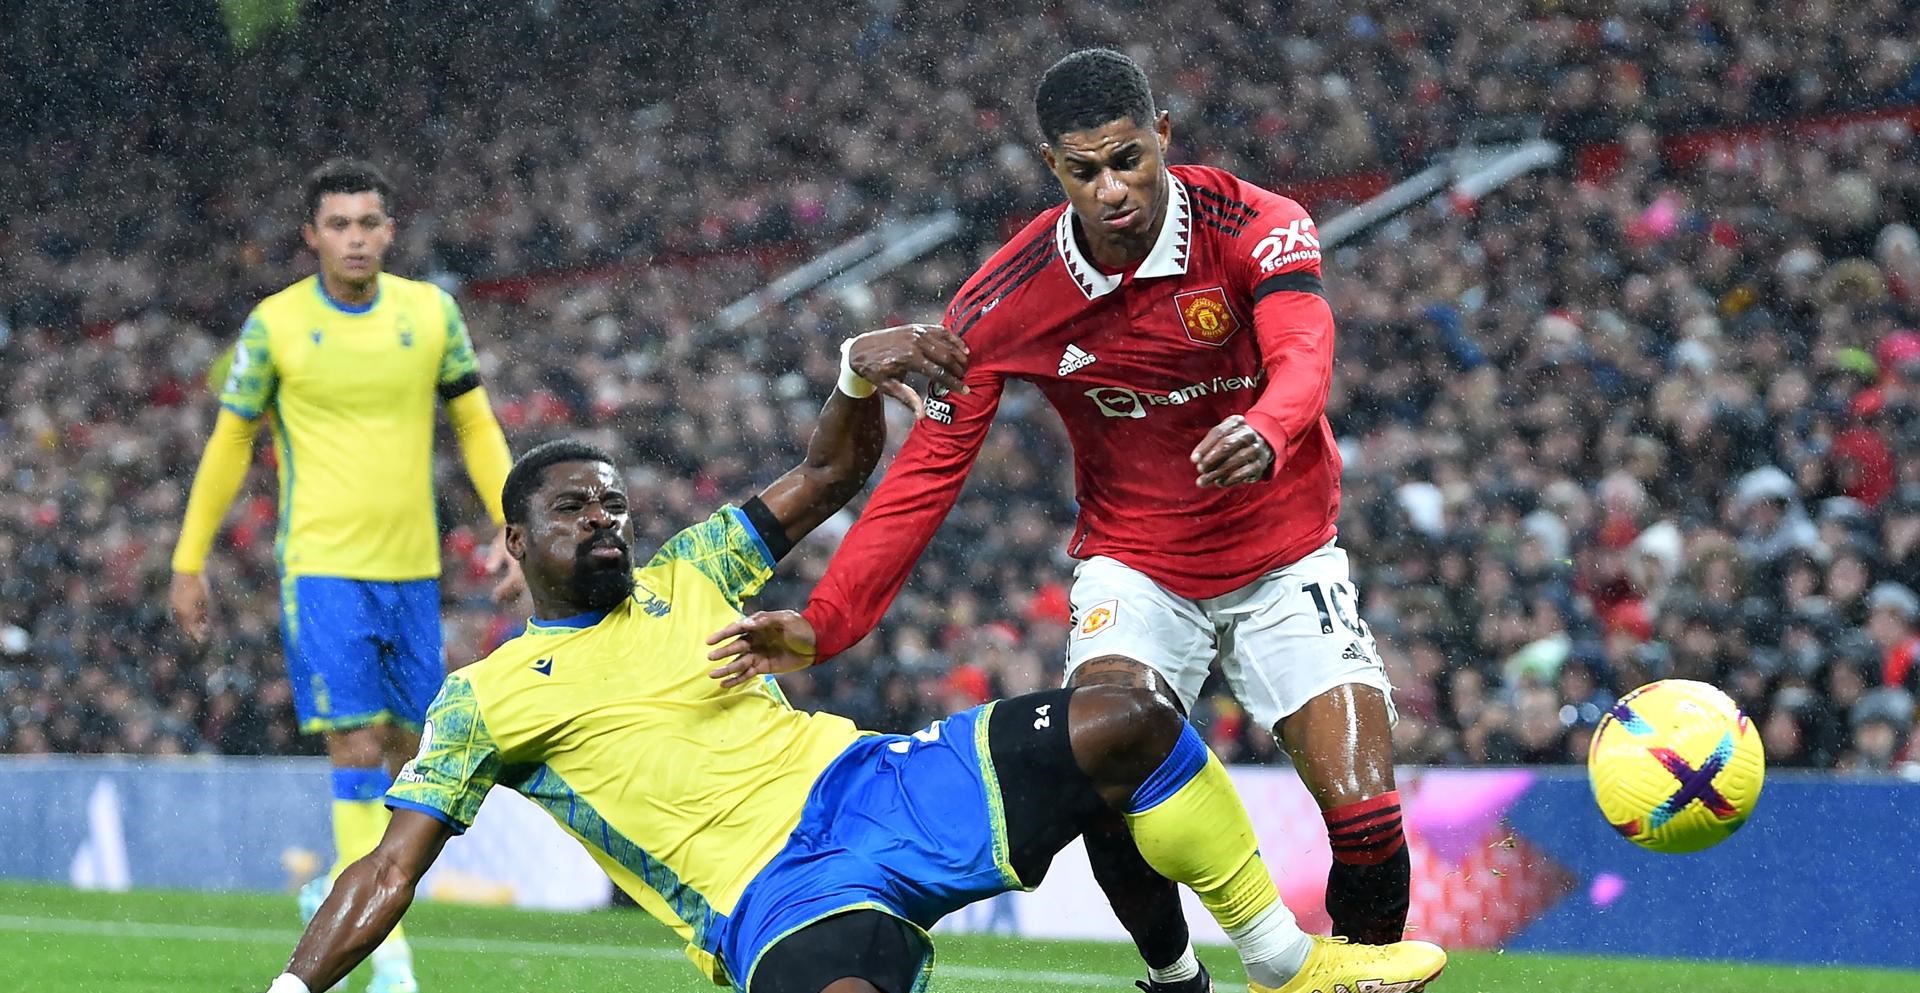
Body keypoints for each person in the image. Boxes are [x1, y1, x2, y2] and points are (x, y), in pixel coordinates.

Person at [258, 329, 1448, 993]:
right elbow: (389, 866)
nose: (607, 521)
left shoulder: (691, 570)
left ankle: (1274, 964)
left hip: (876, 785)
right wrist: (296, 990)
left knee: (1124, 717)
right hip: (774, 896)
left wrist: (848, 372)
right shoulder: (484, 700)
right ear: (516, 543)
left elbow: (828, 477)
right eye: (577, 509)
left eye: (616, 503)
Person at [790, 48, 1409, 990]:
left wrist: (1269, 425)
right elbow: (926, 472)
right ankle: (1173, 977)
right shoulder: (1005, 299)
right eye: (1085, 171)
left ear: (1162, 136)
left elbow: (1305, 351)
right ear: (1053, 168)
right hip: (1137, 564)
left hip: (1286, 556)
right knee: (1112, 759)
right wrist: (828, 619)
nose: (1113, 188)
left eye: (1129, 158)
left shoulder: (1257, 223)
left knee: (1365, 816)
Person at [170, 159, 519, 993]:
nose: (355, 238)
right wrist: (189, 559)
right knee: (356, 743)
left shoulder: (431, 314)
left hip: (412, 572)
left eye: (369, 223)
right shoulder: (276, 326)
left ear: (390, 232)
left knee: (409, 758)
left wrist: (512, 518)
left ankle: (337, 888)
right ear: (312, 236)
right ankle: (385, 951)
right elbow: (228, 443)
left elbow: (474, 421)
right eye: (340, 224)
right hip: (322, 567)